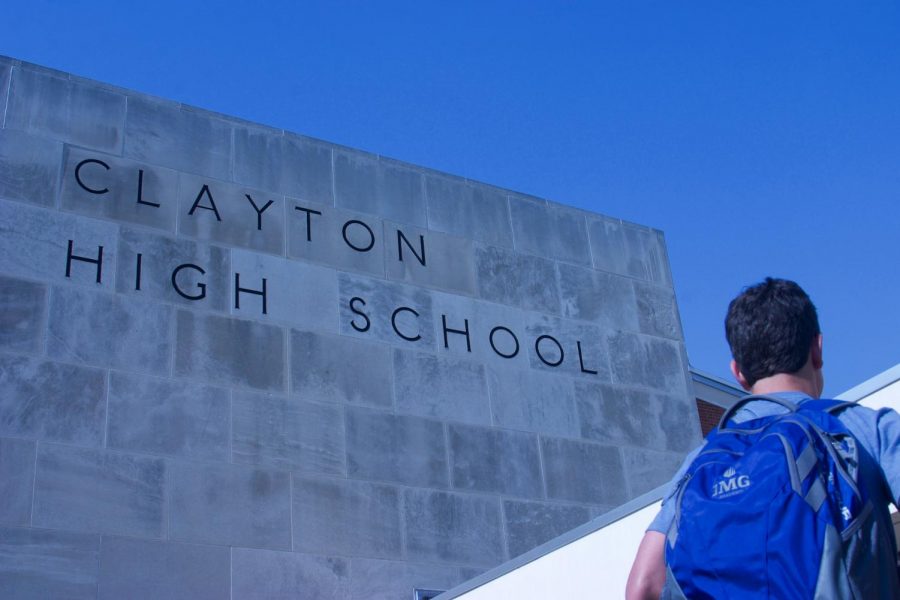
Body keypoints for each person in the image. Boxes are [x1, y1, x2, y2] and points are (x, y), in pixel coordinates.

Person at [625, 277, 900, 599]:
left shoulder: (702, 461)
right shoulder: (864, 428)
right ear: (817, 348)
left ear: (737, 372)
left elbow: (642, 585)